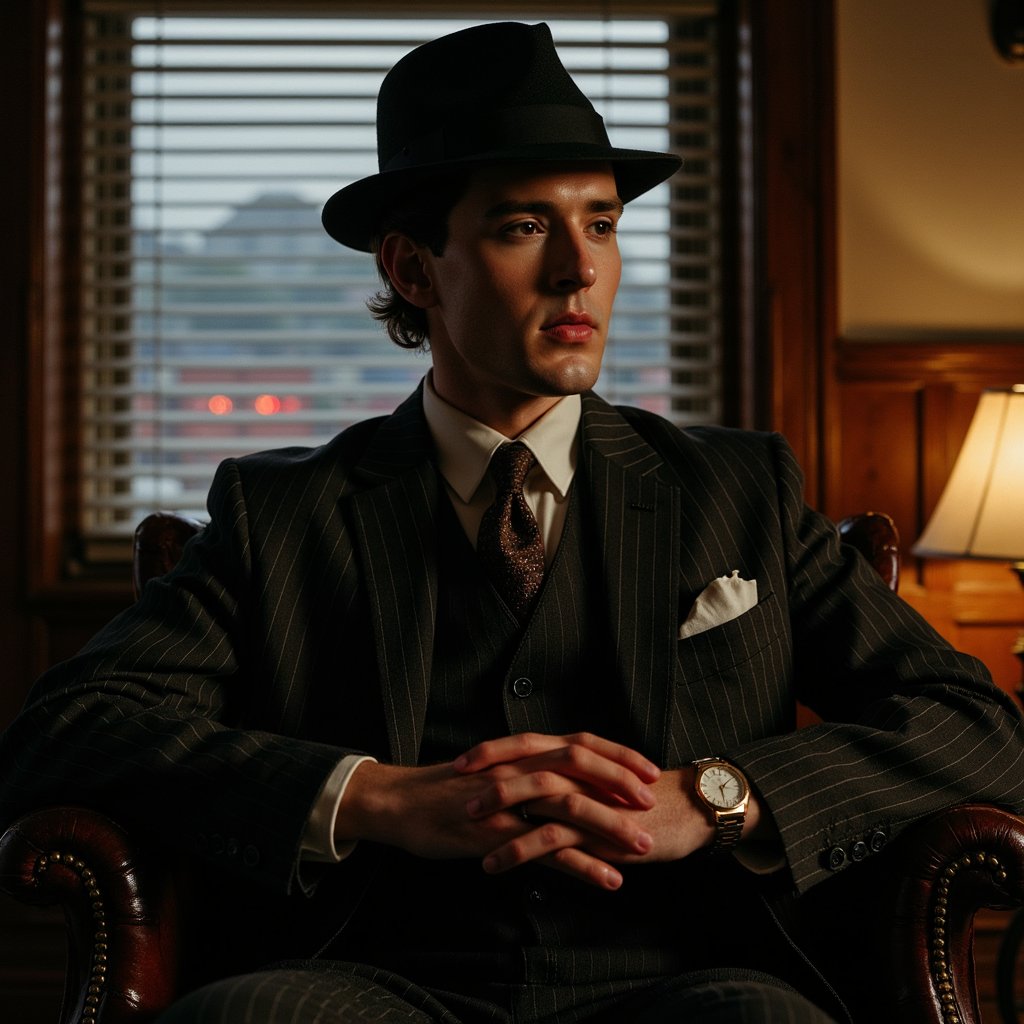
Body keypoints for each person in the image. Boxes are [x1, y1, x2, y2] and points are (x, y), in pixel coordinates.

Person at [1, 20, 1022, 1024]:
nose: (580, 269)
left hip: (688, 979)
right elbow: (65, 732)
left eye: (602, 224)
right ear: (413, 270)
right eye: (524, 227)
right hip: (365, 978)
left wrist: (720, 793)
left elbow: (977, 724)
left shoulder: (740, 488)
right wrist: (371, 796)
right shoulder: (279, 512)